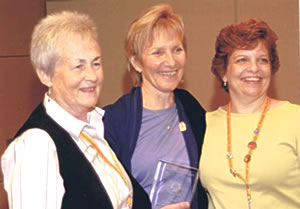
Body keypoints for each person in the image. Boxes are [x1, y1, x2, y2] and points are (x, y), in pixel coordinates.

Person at [1, 11, 151, 209]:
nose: (92, 75)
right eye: (78, 66)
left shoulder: (92, 127)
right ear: (46, 74)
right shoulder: (37, 144)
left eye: (96, 63)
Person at [103, 4, 208, 209]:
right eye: (158, 52)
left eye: (177, 49)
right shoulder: (114, 122)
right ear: (136, 62)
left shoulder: (191, 108)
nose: (170, 61)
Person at [199, 18, 300, 209]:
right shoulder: (203, 124)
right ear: (224, 72)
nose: (254, 68)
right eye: (242, 59)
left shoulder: (295, 120)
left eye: (262, 60)